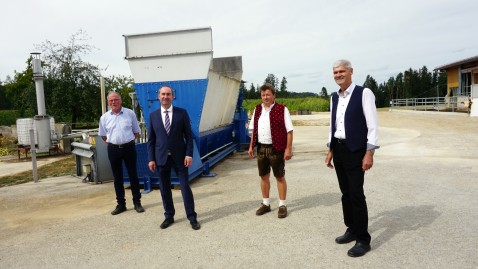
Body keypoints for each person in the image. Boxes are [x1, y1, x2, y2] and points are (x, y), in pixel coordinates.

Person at [324, 59, 379, 257]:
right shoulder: (334, 97)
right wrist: (330, 149)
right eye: (335, 72)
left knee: (356, 193)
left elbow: (372, 125)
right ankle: (352, 228)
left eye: (341, 71)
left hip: (356, 150)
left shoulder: (363, 93)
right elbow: (333, 125)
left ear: (351, 72)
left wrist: (369, 152)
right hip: (338, 149)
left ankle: (363, 239)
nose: (338, 75)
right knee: (345, 193)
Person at [147, 86, 200, 230]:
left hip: (180, 158)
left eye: (168, 94)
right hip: (161, 158)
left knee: (185, 187)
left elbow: (189, 136)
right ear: (158, 96)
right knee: (164, 188)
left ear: (172, 96)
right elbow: (151, 140)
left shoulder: (181, 113)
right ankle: (169, 216)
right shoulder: (153, 116)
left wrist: (189, 154)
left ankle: (192, 217)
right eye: (163, 94)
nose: (165, 96)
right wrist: (151, 159)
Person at [248, 83, 294, 218]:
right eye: (263, 95)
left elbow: (289, 131)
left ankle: (282, 205)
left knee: (279, 176)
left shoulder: (282, 109)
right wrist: (251, 146)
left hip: (277, 148)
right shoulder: (257, 110)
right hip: (261, 148)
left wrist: (288, 149)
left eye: (268, 94)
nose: (265, 97)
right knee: (263, 176)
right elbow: (253, 130)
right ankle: (266, 204)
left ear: (274, 95)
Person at [99, 91, 144, 215]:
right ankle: (121, 204)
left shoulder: (130, 114)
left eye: (116, 100)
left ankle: (137, 202)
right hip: (113, 149)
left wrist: (126, 141)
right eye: (111, 100)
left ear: (120, 100)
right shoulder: (104, 117)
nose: (113, 102)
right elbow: (103, 136)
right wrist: (114, 142)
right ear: (108, 102)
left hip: (129, 148)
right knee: (117, 178)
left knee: (133, 176)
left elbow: (135, 132)